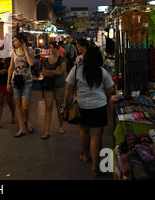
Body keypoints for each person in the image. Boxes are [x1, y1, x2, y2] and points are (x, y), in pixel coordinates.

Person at [63, 46, 114, 177]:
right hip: (99, 106)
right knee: (96, 136)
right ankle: (96, 167)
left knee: (84, 131)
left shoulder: (77, 70)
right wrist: (107, 99)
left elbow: (68, 89)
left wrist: (65, 104)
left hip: (82, 107)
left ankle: (85, 155)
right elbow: (110, 90)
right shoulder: (102, 72)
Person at [7, 33, 35, 137]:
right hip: (16, 80)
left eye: (15, 40)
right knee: (18, 104)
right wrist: (8, 82)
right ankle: (21, 128)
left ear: (21, 41)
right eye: (13, 40)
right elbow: (11, 67)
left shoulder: (30, 50)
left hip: (27, 80)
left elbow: (31, 63)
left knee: (25, 106)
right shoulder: (13, 52)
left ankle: (27, 119)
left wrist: (26, 51)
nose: (14, 42)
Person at [41, 42, 67, 139]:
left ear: (57, 48)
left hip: (60, 85)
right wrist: (54, 72)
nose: (51, 50)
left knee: (59, 107)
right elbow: (43, 73)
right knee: (48, 107)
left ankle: (61, 126)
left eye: (53, 48)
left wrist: (49, 72)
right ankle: (47, 130)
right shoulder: (46, 60)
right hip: (48, 86)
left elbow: (61, 72)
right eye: (50, 48)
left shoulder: (62, 59)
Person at [0, 54, 16, 128]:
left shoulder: (10, 58)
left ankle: (13, 115)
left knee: (9, 101)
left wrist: (6, 71)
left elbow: (13, 68)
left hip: (8, 82)